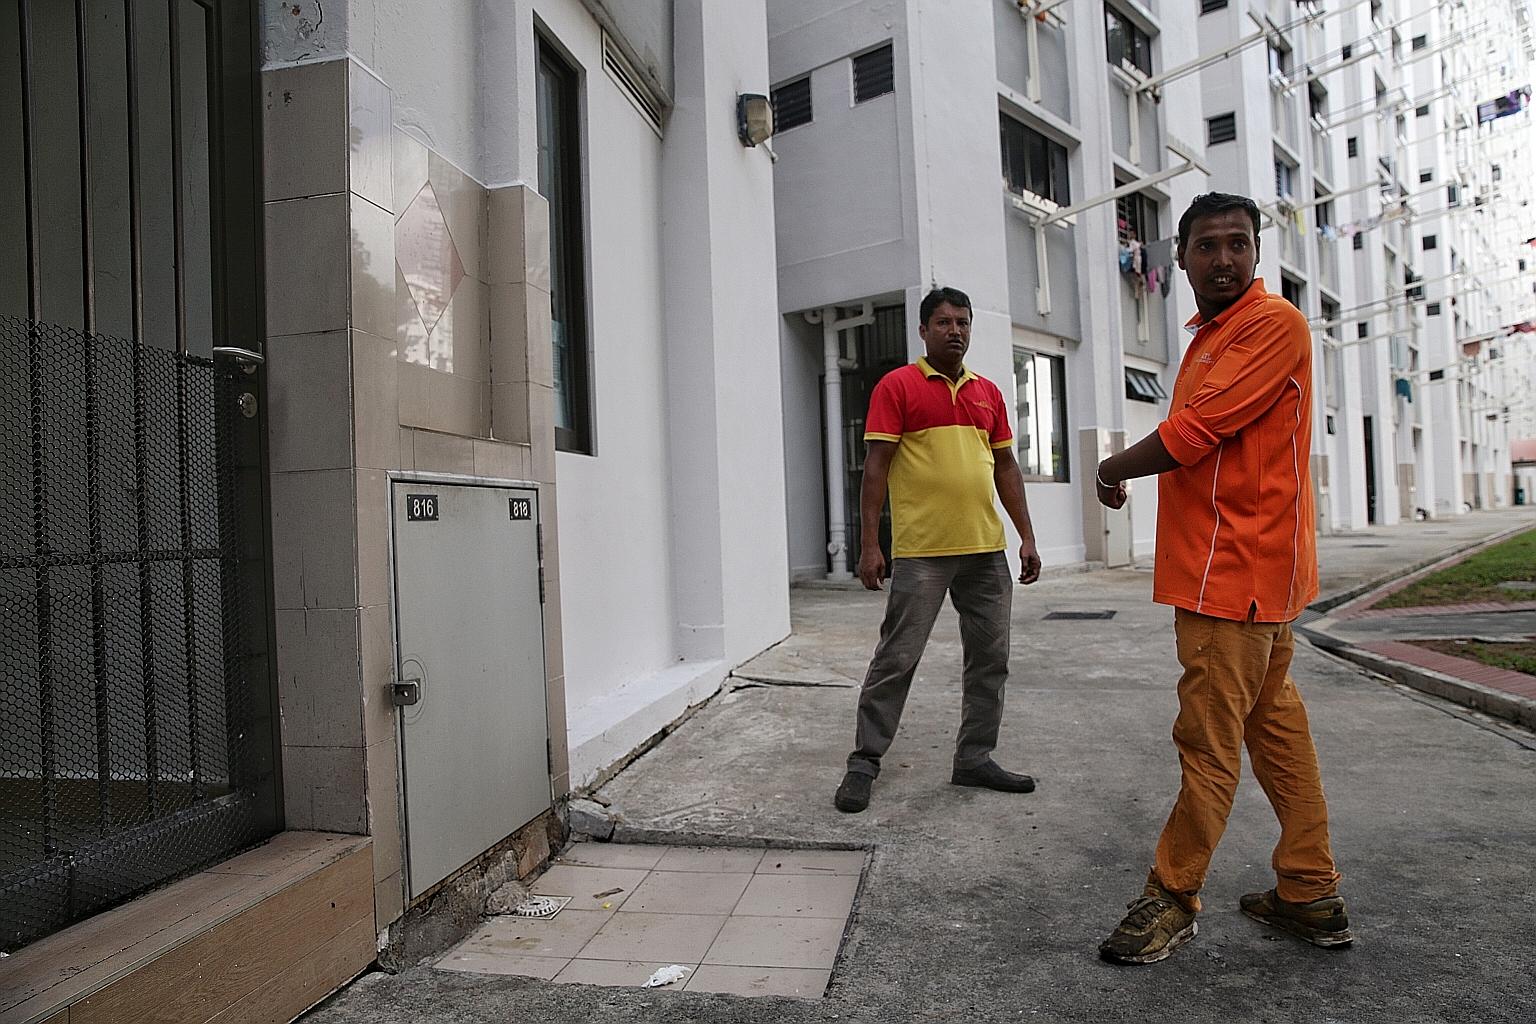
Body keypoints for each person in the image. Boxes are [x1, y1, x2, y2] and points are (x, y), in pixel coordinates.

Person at [1093, 192, 1351, 964]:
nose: (1225, 259)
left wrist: (1110, 468)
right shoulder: (1212, 335)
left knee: (1206, 743)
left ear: (1259, 253)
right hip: (1246, 576)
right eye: (1207, 246)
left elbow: (1193, 435)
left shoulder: (1272, 325)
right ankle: (1309, 890)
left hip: (1231, 577)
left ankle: (1170, 895)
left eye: (1239, 243)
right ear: (1180, 258)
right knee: (1276, 733)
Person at [833, 286, 1043, 815]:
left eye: (964, 322)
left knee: (990, 661)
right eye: (945, 322)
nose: (956, 331)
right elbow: (875, 468)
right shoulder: (898, 386)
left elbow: (1006, 468)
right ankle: (864, 762)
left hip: (985, 551)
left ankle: (974, 758)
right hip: (923, 553)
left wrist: (1027, 536)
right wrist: (869, 546)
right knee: (897, 658)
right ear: (923, 330)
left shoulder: (988, 393)